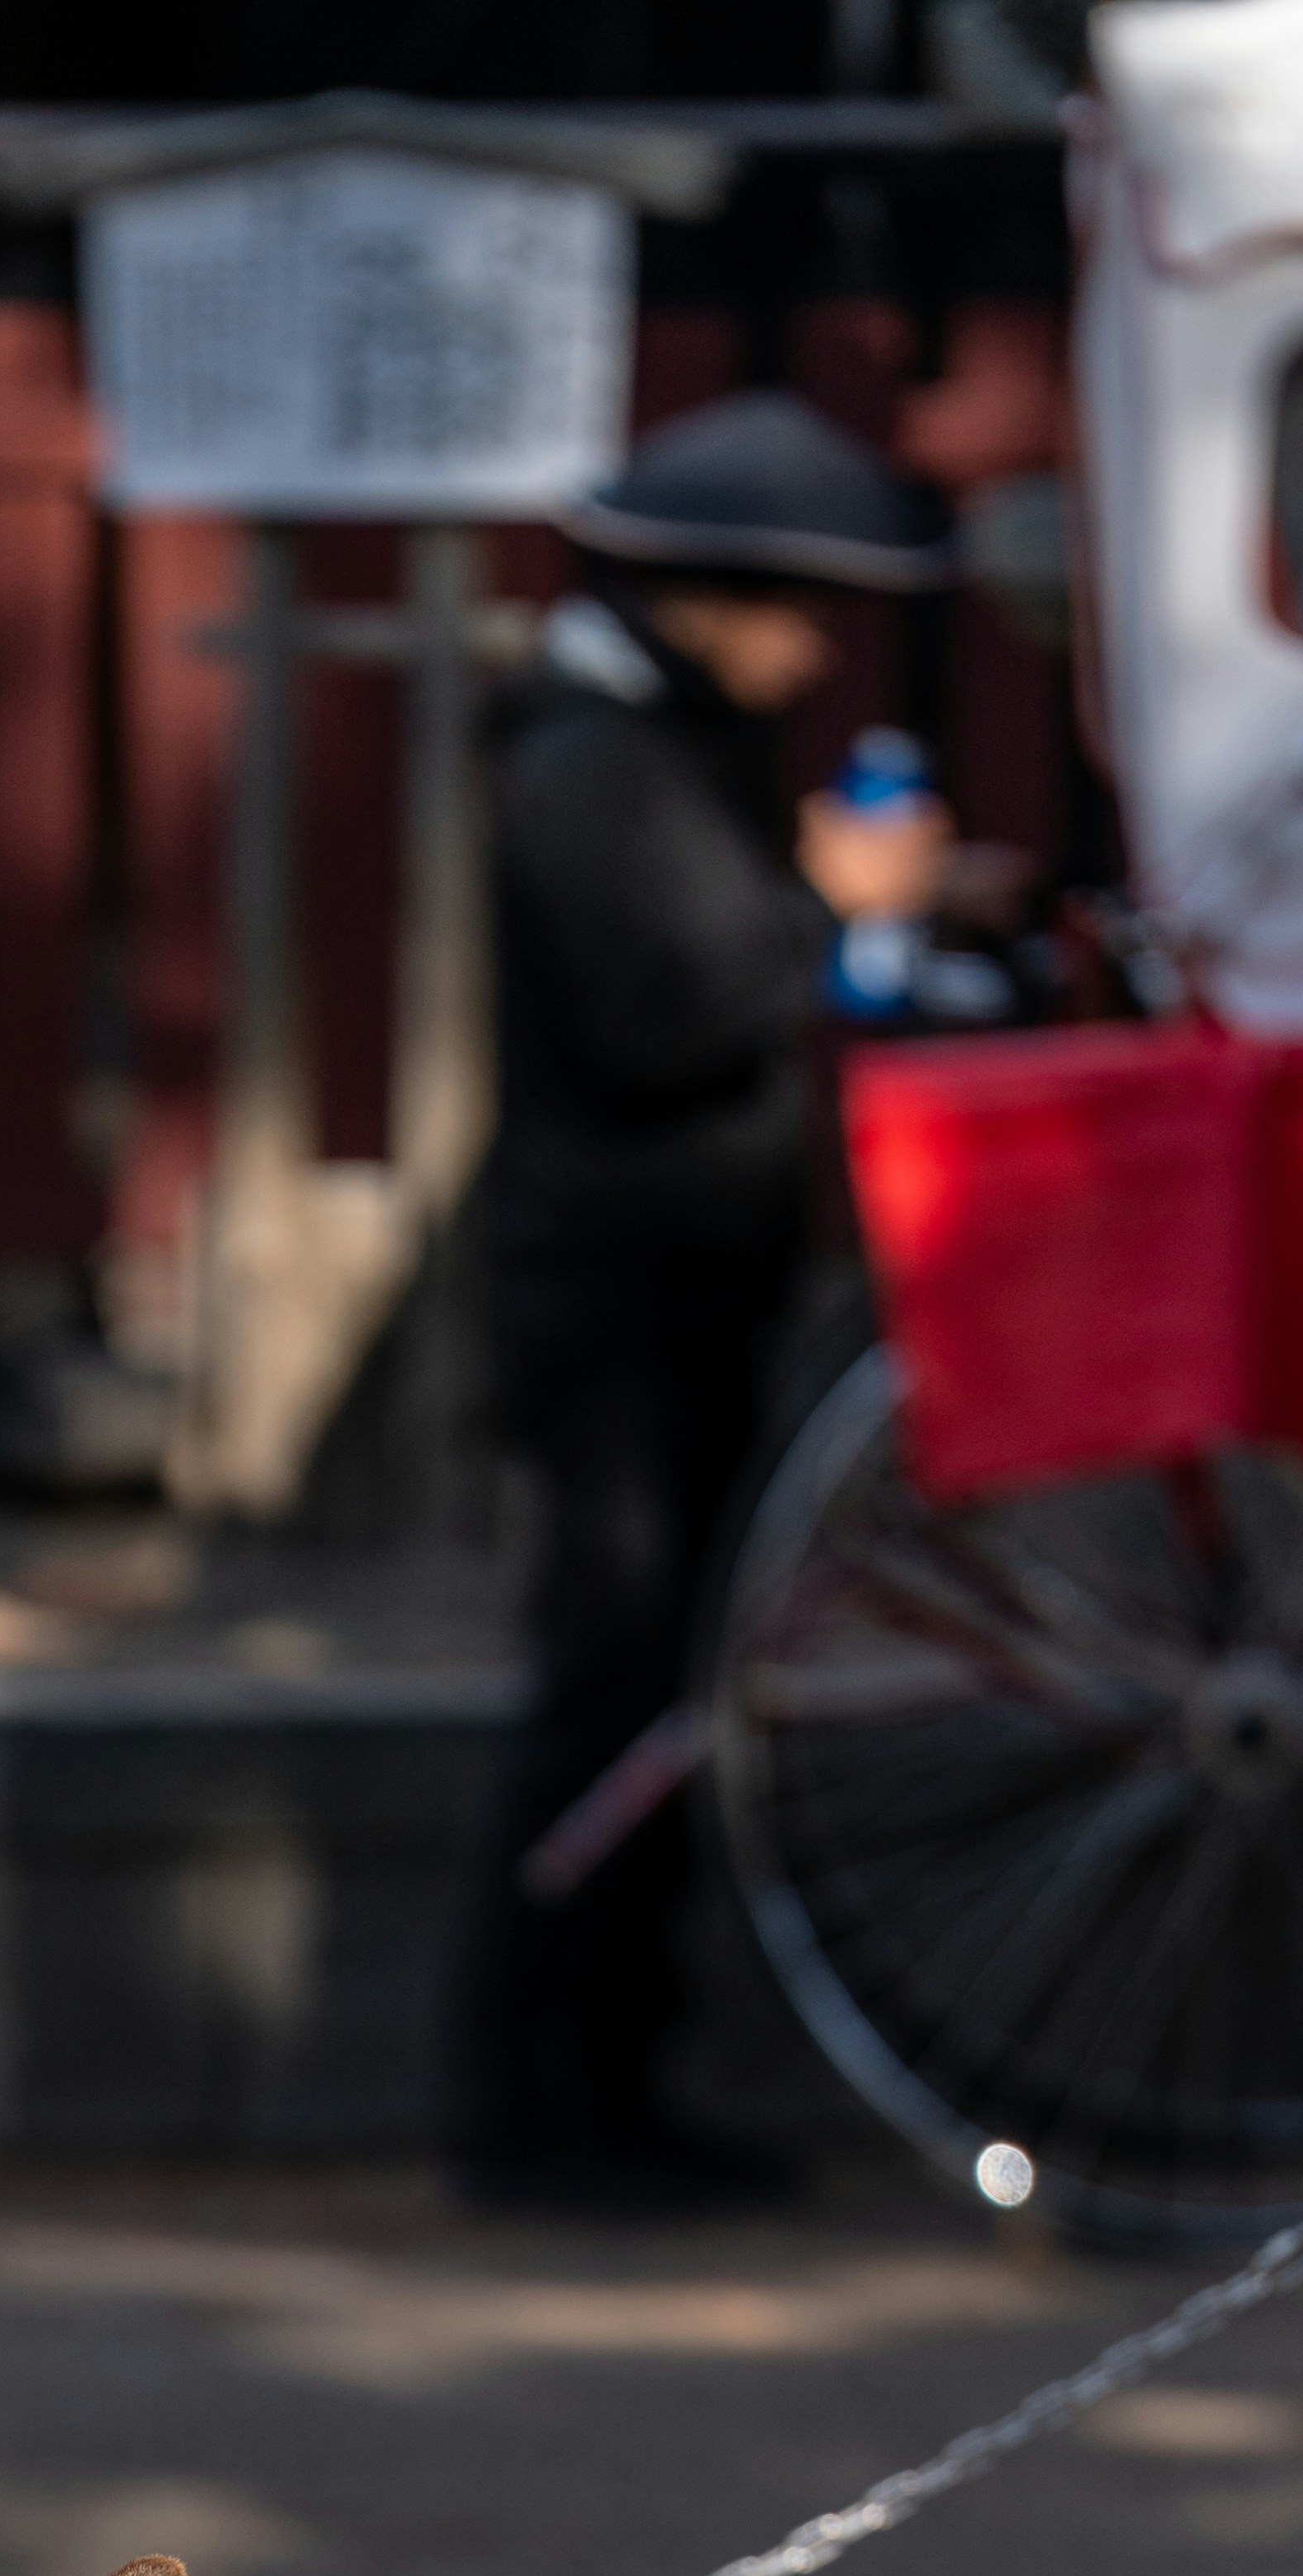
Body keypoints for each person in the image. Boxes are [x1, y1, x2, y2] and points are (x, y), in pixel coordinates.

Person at [456, 391, 953, 2215]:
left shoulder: (648, 740)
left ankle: (615, 2075)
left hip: (681, 1275)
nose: (811, 647)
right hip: (609, 1291)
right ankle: (532, 2096)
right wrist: (816, 903)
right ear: (708, 595)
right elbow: (667, 1002)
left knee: (667, 1682)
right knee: (603, 1683)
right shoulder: (583, 752)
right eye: (792, 606)